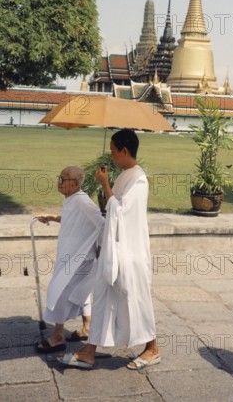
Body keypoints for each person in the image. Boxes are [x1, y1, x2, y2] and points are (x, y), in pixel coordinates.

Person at [58, 129, 160, 369]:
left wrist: (105, 185)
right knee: (103, 297)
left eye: (114, 152)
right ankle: (89, 350)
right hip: (115, 248)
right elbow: (114, 206)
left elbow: (121, 213)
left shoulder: (139, 180)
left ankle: (152, 348)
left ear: (125, 151)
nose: (112, 156)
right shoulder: (126, 175)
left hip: (131, 251)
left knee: (134, 299)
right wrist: (107, 191)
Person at [35, 165, 104, 353]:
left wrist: (102, 247)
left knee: (59, 290)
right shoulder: (72, 199)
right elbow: (72, 219)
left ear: (75, 183)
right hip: (74, 255)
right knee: (80, 291)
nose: (59, 181)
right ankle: (87, 327)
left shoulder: (84, 202)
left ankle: (58, 336)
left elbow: (103, 224)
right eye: (60, 177)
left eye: (63, 178)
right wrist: (51, 217)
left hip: (80, 258)